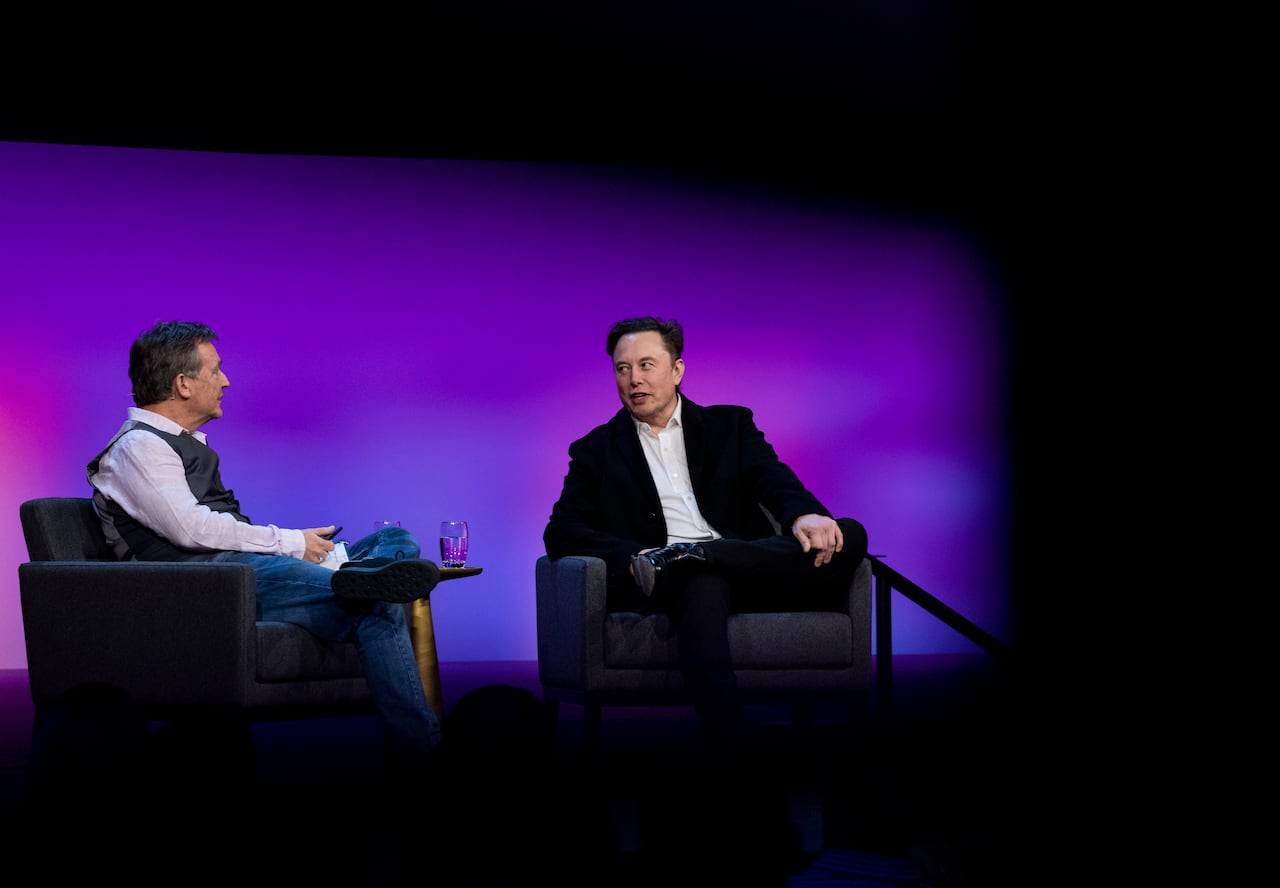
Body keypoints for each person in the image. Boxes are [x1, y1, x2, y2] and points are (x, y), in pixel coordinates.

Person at [86, 320, 444, 772]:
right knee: (378, 604)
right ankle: (426, 754)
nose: (226, 381)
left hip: (245, 570)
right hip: (211, 583)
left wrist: (296, 547)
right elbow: (191, 530)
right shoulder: (139, 447)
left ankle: (359, 576)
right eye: (215, 370)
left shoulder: (182, 445)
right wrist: (291, 544)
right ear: (182, 383)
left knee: (397, 539)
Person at [544, 316, 868, 754]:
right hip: (683, 584)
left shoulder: (729, 426)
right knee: (700, 580)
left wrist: (804, 514)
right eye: (623, 369)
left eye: (646, 365)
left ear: (676, 370)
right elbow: (562, 530)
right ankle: (732, 744)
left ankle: (699, 555)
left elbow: (772, 479)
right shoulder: (596, 449)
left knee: (849, 534)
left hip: (757, 569)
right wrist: (640, 553)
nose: (634, 379)